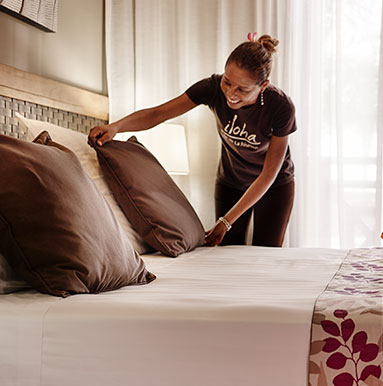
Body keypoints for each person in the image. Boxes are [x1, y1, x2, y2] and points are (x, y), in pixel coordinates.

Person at [89, 33, 297, 248]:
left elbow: (268, 174)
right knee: (228, 252)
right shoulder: (212, 88)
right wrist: (116, 127)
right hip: (232, 181)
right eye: (228, 82)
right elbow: (158, 114)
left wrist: (225, 222)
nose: (230, 94)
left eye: (242, 89)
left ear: (262, 86)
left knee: (268, 252)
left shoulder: (280, 106)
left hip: (274, 186)